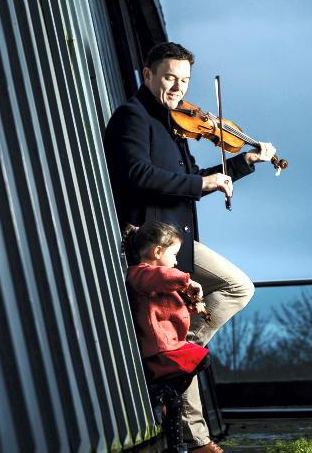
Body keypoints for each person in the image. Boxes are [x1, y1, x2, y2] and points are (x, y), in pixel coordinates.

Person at [103, 42, 276, 452]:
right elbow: (137, 174)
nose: (178, 87)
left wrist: (241, 164)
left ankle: (175, 354)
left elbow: (192, 178)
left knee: (237, 287)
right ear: (148, 74)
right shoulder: (133, 116)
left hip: (177, 241)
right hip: (151, 245)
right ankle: (197, 439)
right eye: (170, 77)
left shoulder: (174, 122)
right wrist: (201, 183)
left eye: (184, 80)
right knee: (228, 293)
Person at [122, 221, 211, 453]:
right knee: (202, 359)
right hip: (161, 348)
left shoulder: (154, 281)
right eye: (174, 255)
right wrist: (187, 281)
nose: (176, 262)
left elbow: (167, 310)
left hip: (168, 344)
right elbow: (162, 275)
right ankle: (159, 390)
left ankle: (176, 446)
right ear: (157, 252)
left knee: (174, 403)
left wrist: (191, 308)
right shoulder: (141, 274)